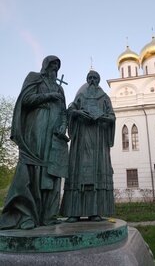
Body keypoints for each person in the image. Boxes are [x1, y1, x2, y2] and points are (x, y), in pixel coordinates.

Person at [0, 55, 69, 230]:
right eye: (52, 64)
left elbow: (63, 112)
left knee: (51, 172)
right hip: (36, 128)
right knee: (31, 168)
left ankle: (47, 215)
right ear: (45, 65)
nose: (54, 68)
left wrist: (62, 126)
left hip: (54, 135)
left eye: (57, 65)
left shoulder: (60, 89)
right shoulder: (34, 78)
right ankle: (25, 215)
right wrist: (48, 96)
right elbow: (26, 100)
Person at [60, 70, 115, 222]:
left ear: (98, 80)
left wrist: (102, 117)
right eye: (89, 78)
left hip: (98, 140)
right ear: (86, 80)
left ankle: (95, 212)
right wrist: (78, 113)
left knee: (97, 173)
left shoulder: (105, 98)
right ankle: (74, 212)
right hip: (82, 140)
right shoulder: (81, 96)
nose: (92, 80)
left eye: (95, 78)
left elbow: (112, 116)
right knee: (77, 172)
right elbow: (70, 110)